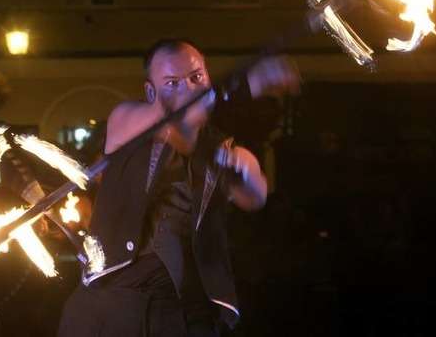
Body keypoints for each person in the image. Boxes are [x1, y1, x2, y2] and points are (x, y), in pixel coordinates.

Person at [58, 39, 299, 336]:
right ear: (151, 91)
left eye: (196, 77)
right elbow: (175, 125)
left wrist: (247, 171)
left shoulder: (219, 147)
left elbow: (255, 197)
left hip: (185, 307)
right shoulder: (127, 120)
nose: (188, 88)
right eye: (172, 83)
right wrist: (247, 84)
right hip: (113, 301)